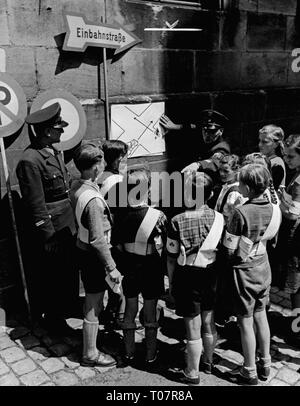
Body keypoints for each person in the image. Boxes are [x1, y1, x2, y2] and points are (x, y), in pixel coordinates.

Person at [16, 102, 78, 332]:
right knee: (53, 275)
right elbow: (36, 204)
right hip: (53, 228)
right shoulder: (30, 161)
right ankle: (54, 318)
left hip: (67, 224)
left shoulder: (54, 151)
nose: (62, 131)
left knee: (68, 270)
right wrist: (48, 235)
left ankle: (67, 306)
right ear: (47, 131)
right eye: (58, 127)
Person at [223, 164, 281, 385]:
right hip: (263, 264)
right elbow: (273, 240)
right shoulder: (274, 208)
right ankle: (265, 363)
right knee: (261, 314)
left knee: (245, 320)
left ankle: (248, 369)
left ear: (247, 186)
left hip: (244, 270)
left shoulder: (241, 213)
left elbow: (230, 249)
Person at [166, 172, 224, 385]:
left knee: (192, 327)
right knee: (209, 320)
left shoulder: (177, 221)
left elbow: (171, 258)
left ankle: (192, 371)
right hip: (210, 273)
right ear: (209, 195)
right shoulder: (219, 218)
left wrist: (171, 284)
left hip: (187, 275)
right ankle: (208, 362)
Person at [70, 143, 121, 367]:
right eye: (100, 163)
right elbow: (98, 240)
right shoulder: (93, 200)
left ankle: (90, 345)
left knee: (93, 301)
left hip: (82, 249)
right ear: (95, 167)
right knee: (94, 303)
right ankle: (90, 353)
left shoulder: (77, 186)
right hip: (93, 256)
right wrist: (111, 267)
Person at [113, 167, 168, 368]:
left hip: (129, 265)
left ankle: (128, 352)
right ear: (148, 189)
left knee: (130, 307)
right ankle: (151, 354)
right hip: (151, 266)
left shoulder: (118, 214)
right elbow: (162, 246)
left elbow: (117, 245)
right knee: (151, 310)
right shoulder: (158, 215)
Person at [98, 139, 128, 329]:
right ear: (118, 159)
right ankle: (118, 315)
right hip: (114, 233)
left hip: (104, 231)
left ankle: (110, 311)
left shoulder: (101, 175)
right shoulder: (115, 180)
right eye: (124, 156)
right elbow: (121, 211)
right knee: (119, 277)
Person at [277, 134, 300, 344]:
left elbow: (293, 214)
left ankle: (296, 330)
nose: (287, 160)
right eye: (284, 155)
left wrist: (279, 202)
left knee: (296, 290)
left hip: (296, 242)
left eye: (291, 156)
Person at [160, 109, 230, 177]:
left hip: (207, 181)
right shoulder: (202, 131)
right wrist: (175, 126)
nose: (206, 134)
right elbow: (193, 127)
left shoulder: (222, 147)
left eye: (211, 131)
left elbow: (214, 161)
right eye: (204, 130)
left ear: (221, 131)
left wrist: (198, 165)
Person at [215, 154, 245, 223]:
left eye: (226, 171)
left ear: (237, 170)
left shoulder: (234, 192)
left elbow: (231, 218)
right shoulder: (226, 185)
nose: (221, 174)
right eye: (220, 170)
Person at [258, 124, 286, 190]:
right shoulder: (263, 158)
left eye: (265, 142)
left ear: (275, 144)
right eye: (260, 140)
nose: (260, 144)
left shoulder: (277, 162)